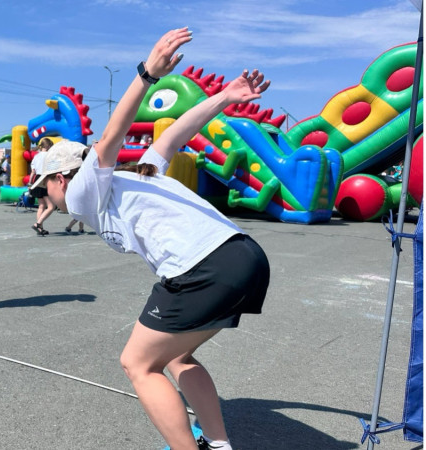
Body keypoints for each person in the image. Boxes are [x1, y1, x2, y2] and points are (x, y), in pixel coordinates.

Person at [32, 28, 271, 450]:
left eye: (42, 188)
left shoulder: (83, 192)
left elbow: (108, 141)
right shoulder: (142, 172)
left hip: (205, 266)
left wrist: (146, 74)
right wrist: (225, 98)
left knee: (137, 364)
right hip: (245, 256)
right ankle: (218, 444)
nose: (44, 197)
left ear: (58, 178)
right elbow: (177, 132)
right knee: (176, 357)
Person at [28, 138, 56, 235]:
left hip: (36, 180)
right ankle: (38, 224)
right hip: (45, 179)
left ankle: (40, 229)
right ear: (48, 146)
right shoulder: (50, 156)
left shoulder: (36, 156)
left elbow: (33, 172)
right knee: (51, 206)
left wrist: (30, 184)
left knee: (41, 206)